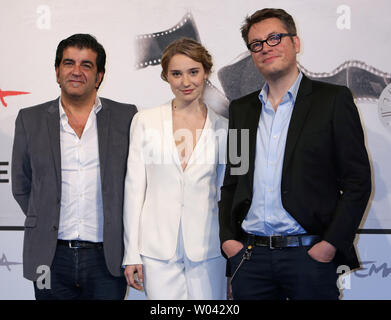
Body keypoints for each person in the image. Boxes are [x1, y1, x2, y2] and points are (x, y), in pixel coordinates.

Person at [218, 8, 371, 300]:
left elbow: (357, 182)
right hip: (250, 260)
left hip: (309, 258)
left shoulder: (333, 101)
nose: (266, 48)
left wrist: (329, 245)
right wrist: (228, 240)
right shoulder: (241, 110)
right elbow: (232, 181)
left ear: (296, 43)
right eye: (257, 44)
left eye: (275, 38)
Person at [11, 33, 137, 300]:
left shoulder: (126, 117)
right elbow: (21, 185)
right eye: (69, 63)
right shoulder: (29, 119)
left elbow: (137, 181)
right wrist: (44, 216)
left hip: (107, 258)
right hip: (49, 258)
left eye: (86, 65)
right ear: (57, 72)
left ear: (99, 75)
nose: (76, 71)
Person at [122, 38, 228, 300]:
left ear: (206, 72)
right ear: (165, 76)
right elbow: (134, 191)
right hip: (157, 250)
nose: (186, 81)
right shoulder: (144, 121)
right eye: (176, 74)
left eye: (193, 72)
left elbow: (230, 195)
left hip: (210, 249)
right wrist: (131, 252)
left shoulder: (227, 128)